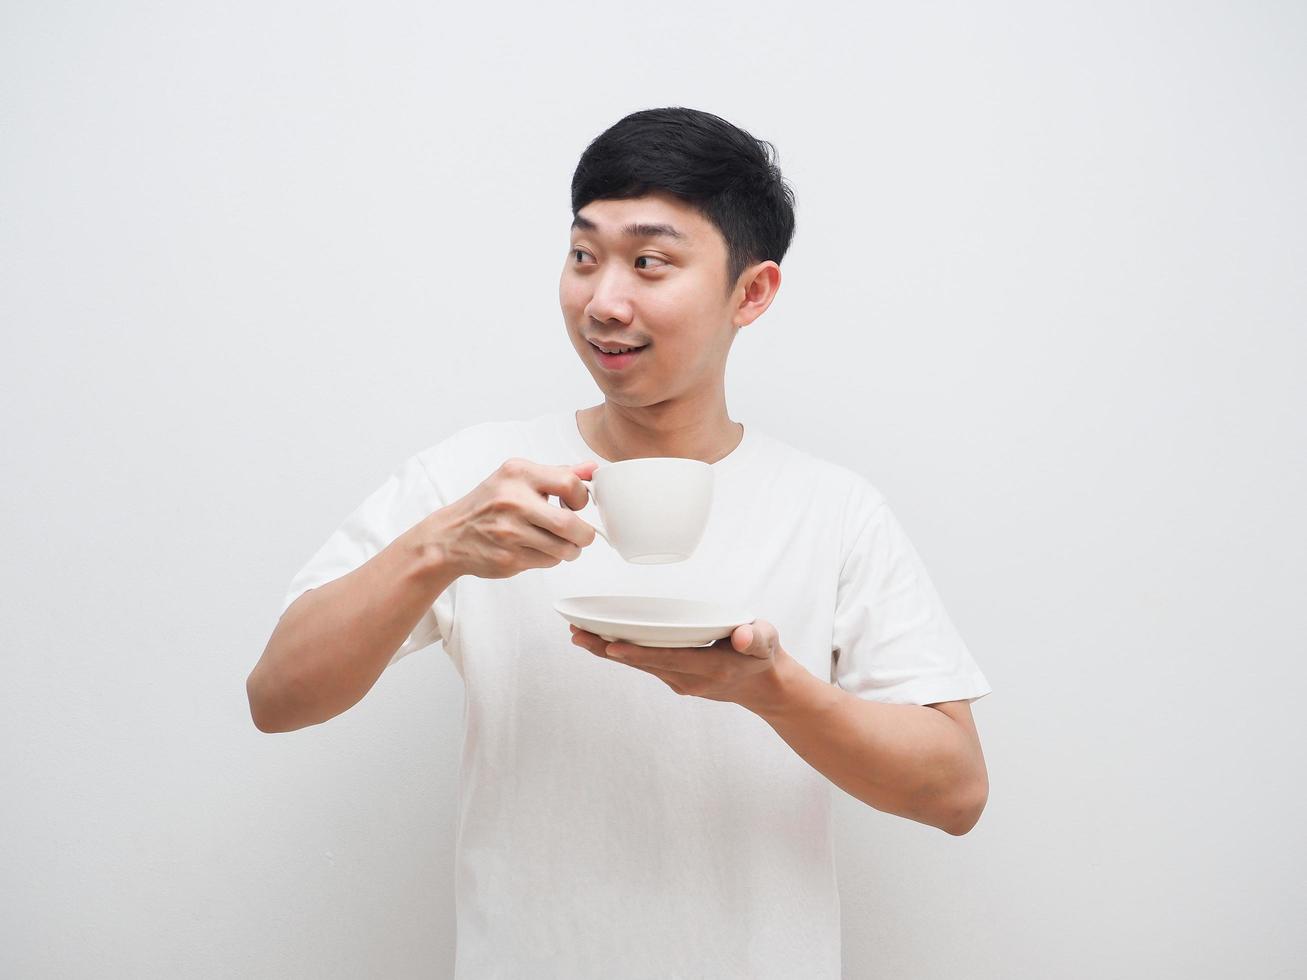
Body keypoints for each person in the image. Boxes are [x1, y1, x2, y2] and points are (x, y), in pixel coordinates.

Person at [247, 106, 991, 979]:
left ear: (750, 292)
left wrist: (773, 690)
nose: (603, 301)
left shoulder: (831, 508)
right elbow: (277, 698)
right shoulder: (479, 479)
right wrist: (438, 547)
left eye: (649, 262)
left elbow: (954, 792)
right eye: (582, 256)